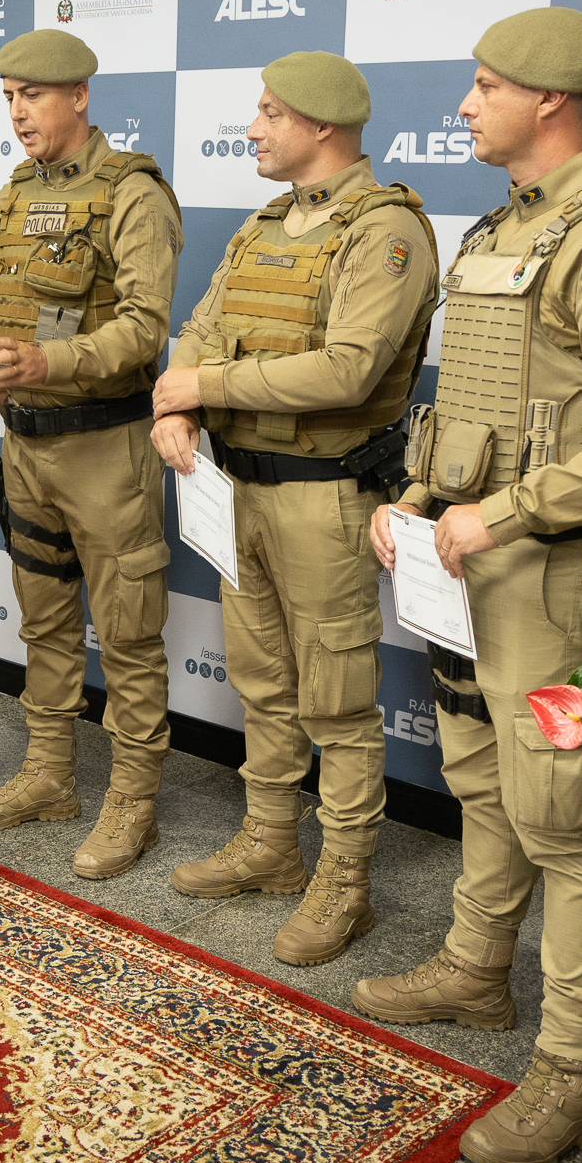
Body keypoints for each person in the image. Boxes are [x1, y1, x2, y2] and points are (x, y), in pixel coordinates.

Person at [350, 7, 582, 1163]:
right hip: (464, 562)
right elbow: (476, 404)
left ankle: (572, 1077)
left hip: (548, 575)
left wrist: (495, 517)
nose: (464, 104)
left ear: (548, 100)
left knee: (562, 821)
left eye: (485, 85)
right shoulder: (504, 227)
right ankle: (473, 969)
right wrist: (414, 497)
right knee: (479, 776)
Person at [153, 52, 439, 966]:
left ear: (322, 125)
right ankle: (272, 843)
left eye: (271, 113)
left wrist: (205, 384)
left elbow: (349, 369)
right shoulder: (265, 224)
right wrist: (180, 405)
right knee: (263, 680)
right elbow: (200, 326)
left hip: (325, 497)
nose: (253, 128)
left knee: (338, 703)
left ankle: (346, 884)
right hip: (237, 488)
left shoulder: (386, 230)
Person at [0, 28, 183, 881]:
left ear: (80, 96)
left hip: (105, 449)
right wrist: (16, 382)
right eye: (8, 98)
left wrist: (50, 363)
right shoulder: (15, 194)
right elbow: (19, 312)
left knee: (127, 632)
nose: (17, 113)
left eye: (33, 96)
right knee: (45, 617)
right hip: (28, 445)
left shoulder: (134, 194)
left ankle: (133, 801)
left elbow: (145, 327)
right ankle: (50, 773)